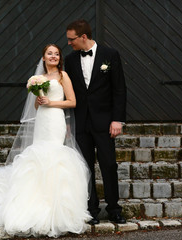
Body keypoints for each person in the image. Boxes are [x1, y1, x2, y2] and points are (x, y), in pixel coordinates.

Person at [0, 44, 92, 237]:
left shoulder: (63, 76)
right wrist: (39, 101)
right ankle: (34, 204)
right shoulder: (38, 79)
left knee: (54, 156)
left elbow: (72, 101)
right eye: (49, 53)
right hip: (42, 122)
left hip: (55, 121)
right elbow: (37, 108)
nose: (53, 56)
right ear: (43, 58)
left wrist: (51, 102)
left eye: (56, 54)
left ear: (59, 58)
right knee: (38, 156)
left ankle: (57, 210)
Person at [64, 19, 127, 225]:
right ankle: (91, 209)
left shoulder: (110, 55)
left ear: (83, 37)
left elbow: (119, 89)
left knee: (109, 164)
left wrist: (117, 119)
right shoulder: (70, 59)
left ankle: (114, 209)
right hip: (81, 122)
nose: (69, 43)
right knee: (85, 167)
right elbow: (68, 91)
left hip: (105, 121)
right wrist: (67, 121)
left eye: (71, 39)